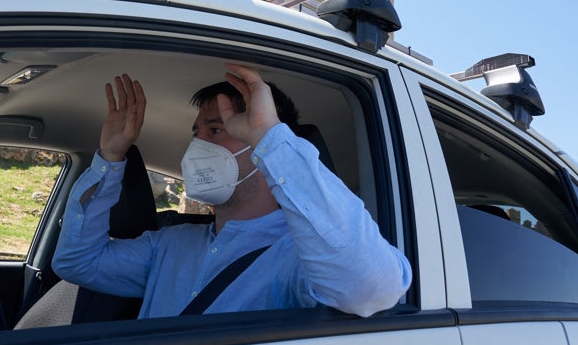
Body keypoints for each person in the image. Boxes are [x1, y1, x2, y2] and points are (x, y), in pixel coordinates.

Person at [52, 64, 412, 318]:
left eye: (216, 130)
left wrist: (272, 138)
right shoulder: (169, 244)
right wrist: (111, 157)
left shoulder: (297, 258)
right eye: (196, 133)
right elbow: (76, 262)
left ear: (260, 146)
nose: (197, 146)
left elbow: (372, 289)